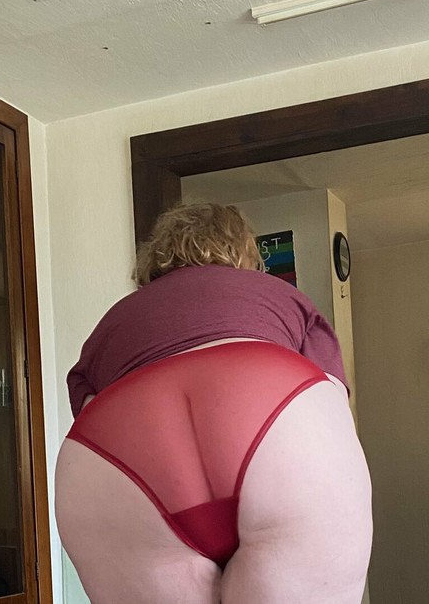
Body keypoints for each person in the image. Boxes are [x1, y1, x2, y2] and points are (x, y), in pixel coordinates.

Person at [55, 203, 372, 604]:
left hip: (125, 470)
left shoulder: (113, 322)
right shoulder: (283, 297)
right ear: (244, 252)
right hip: (281, 438)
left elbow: (87, 409)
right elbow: (333, 397)